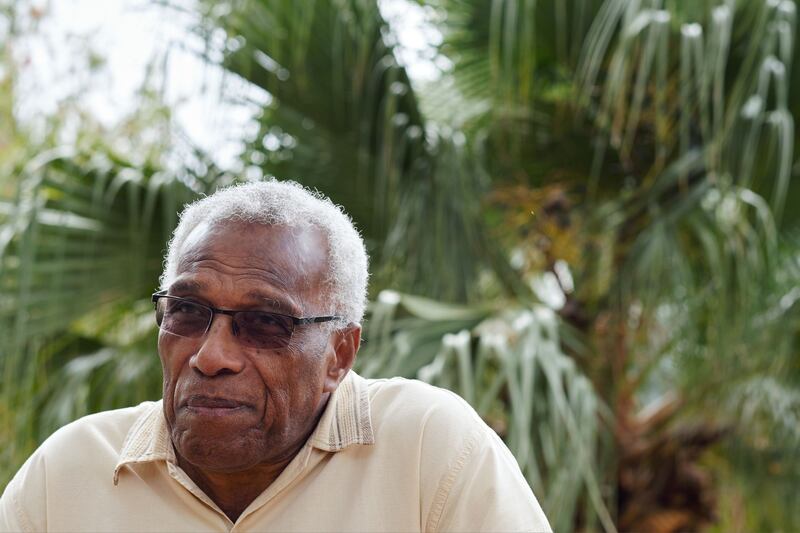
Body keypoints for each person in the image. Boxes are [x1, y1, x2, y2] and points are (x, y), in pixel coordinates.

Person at [0, 180, 551, 532]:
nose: (211, 356)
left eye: (265, 323)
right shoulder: (67, 476)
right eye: (188, 311)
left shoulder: (429, 449)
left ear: (339, 354)